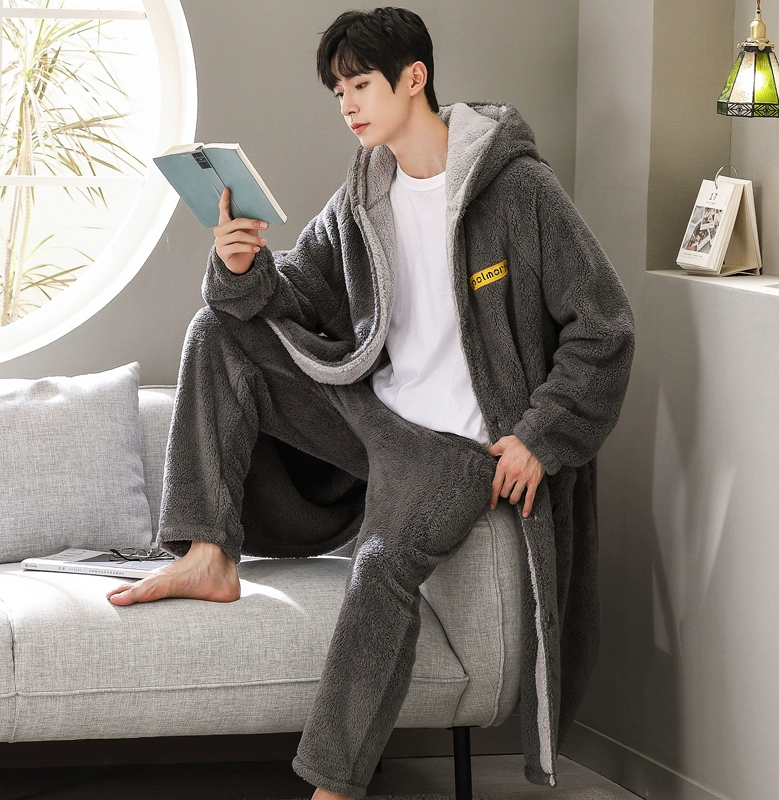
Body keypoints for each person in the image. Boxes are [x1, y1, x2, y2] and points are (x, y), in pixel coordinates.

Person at [107, 7, 635, 800]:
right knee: (218, 328)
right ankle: (209, 554)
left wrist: (538, 435)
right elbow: (298, 289)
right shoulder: (366, 191)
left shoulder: (518, 191)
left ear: (414, 78)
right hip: (369, 416)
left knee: (380, 572)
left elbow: (605, 325)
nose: (347, 104)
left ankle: (332, 790)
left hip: (454, 453)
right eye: (338, 91)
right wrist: (242, 267)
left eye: (360, 85)